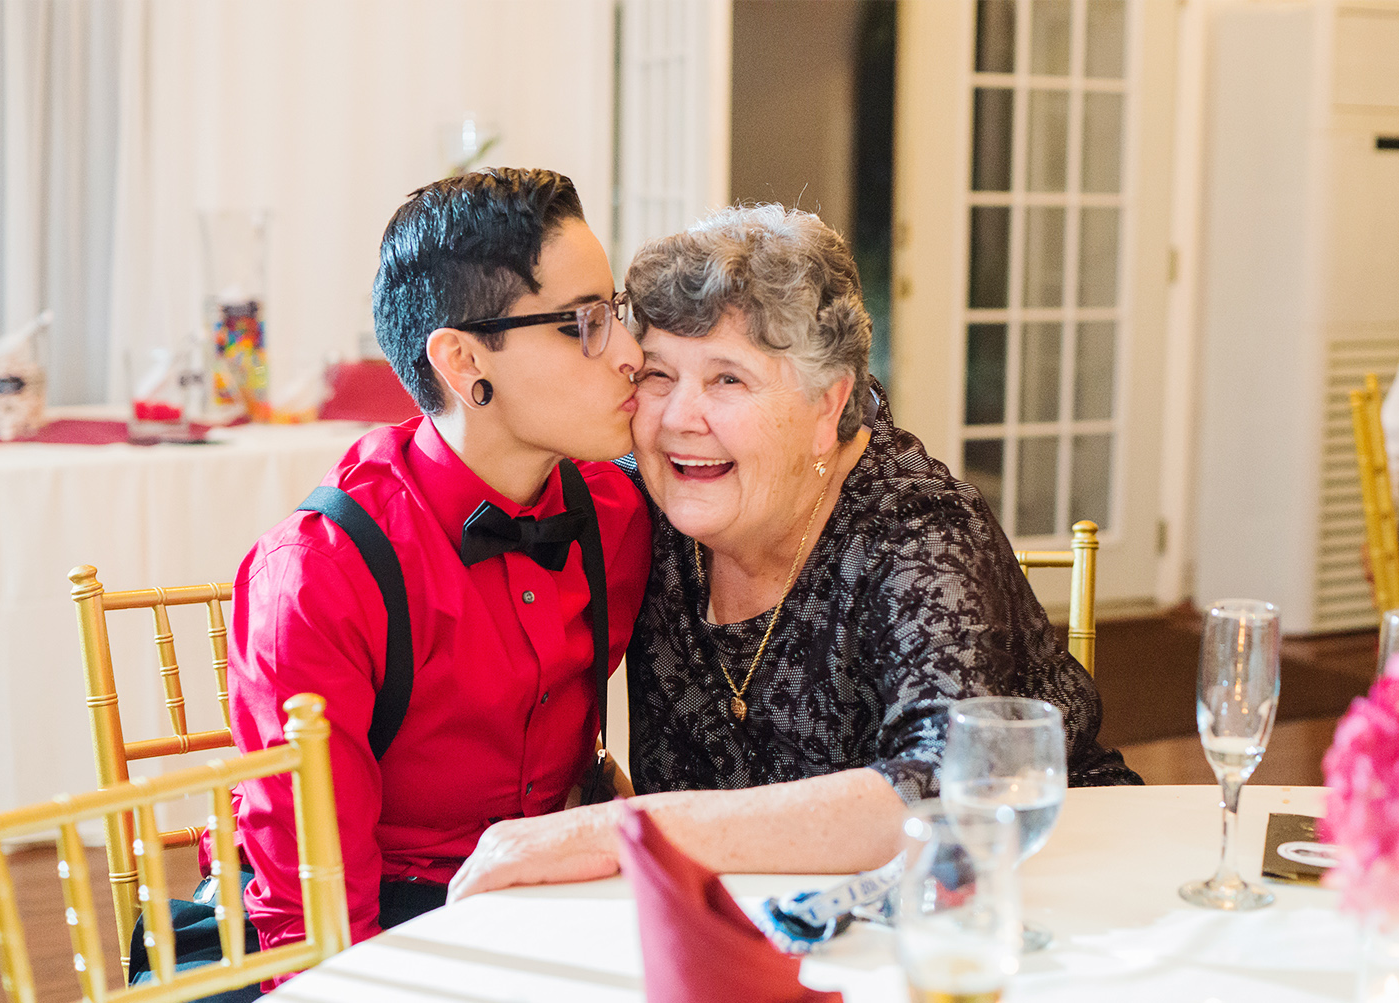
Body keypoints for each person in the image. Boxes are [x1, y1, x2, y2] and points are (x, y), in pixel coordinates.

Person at [447, 204, 1140, 903]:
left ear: (826, 407)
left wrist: (622, 827)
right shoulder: (638, 508)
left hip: (1033, 894)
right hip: (761, 917)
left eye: (728, 379)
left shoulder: (917, 529)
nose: (680, 418)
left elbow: (943, 790)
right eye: (657, 375)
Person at [222, 168, 652, 977]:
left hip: (557, 910)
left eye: (617, 313)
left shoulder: (620, 516)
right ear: (461, 360)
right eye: (584, 323)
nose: (629, 354)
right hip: (388, 935)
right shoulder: (320, 576)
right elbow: (314, 919)